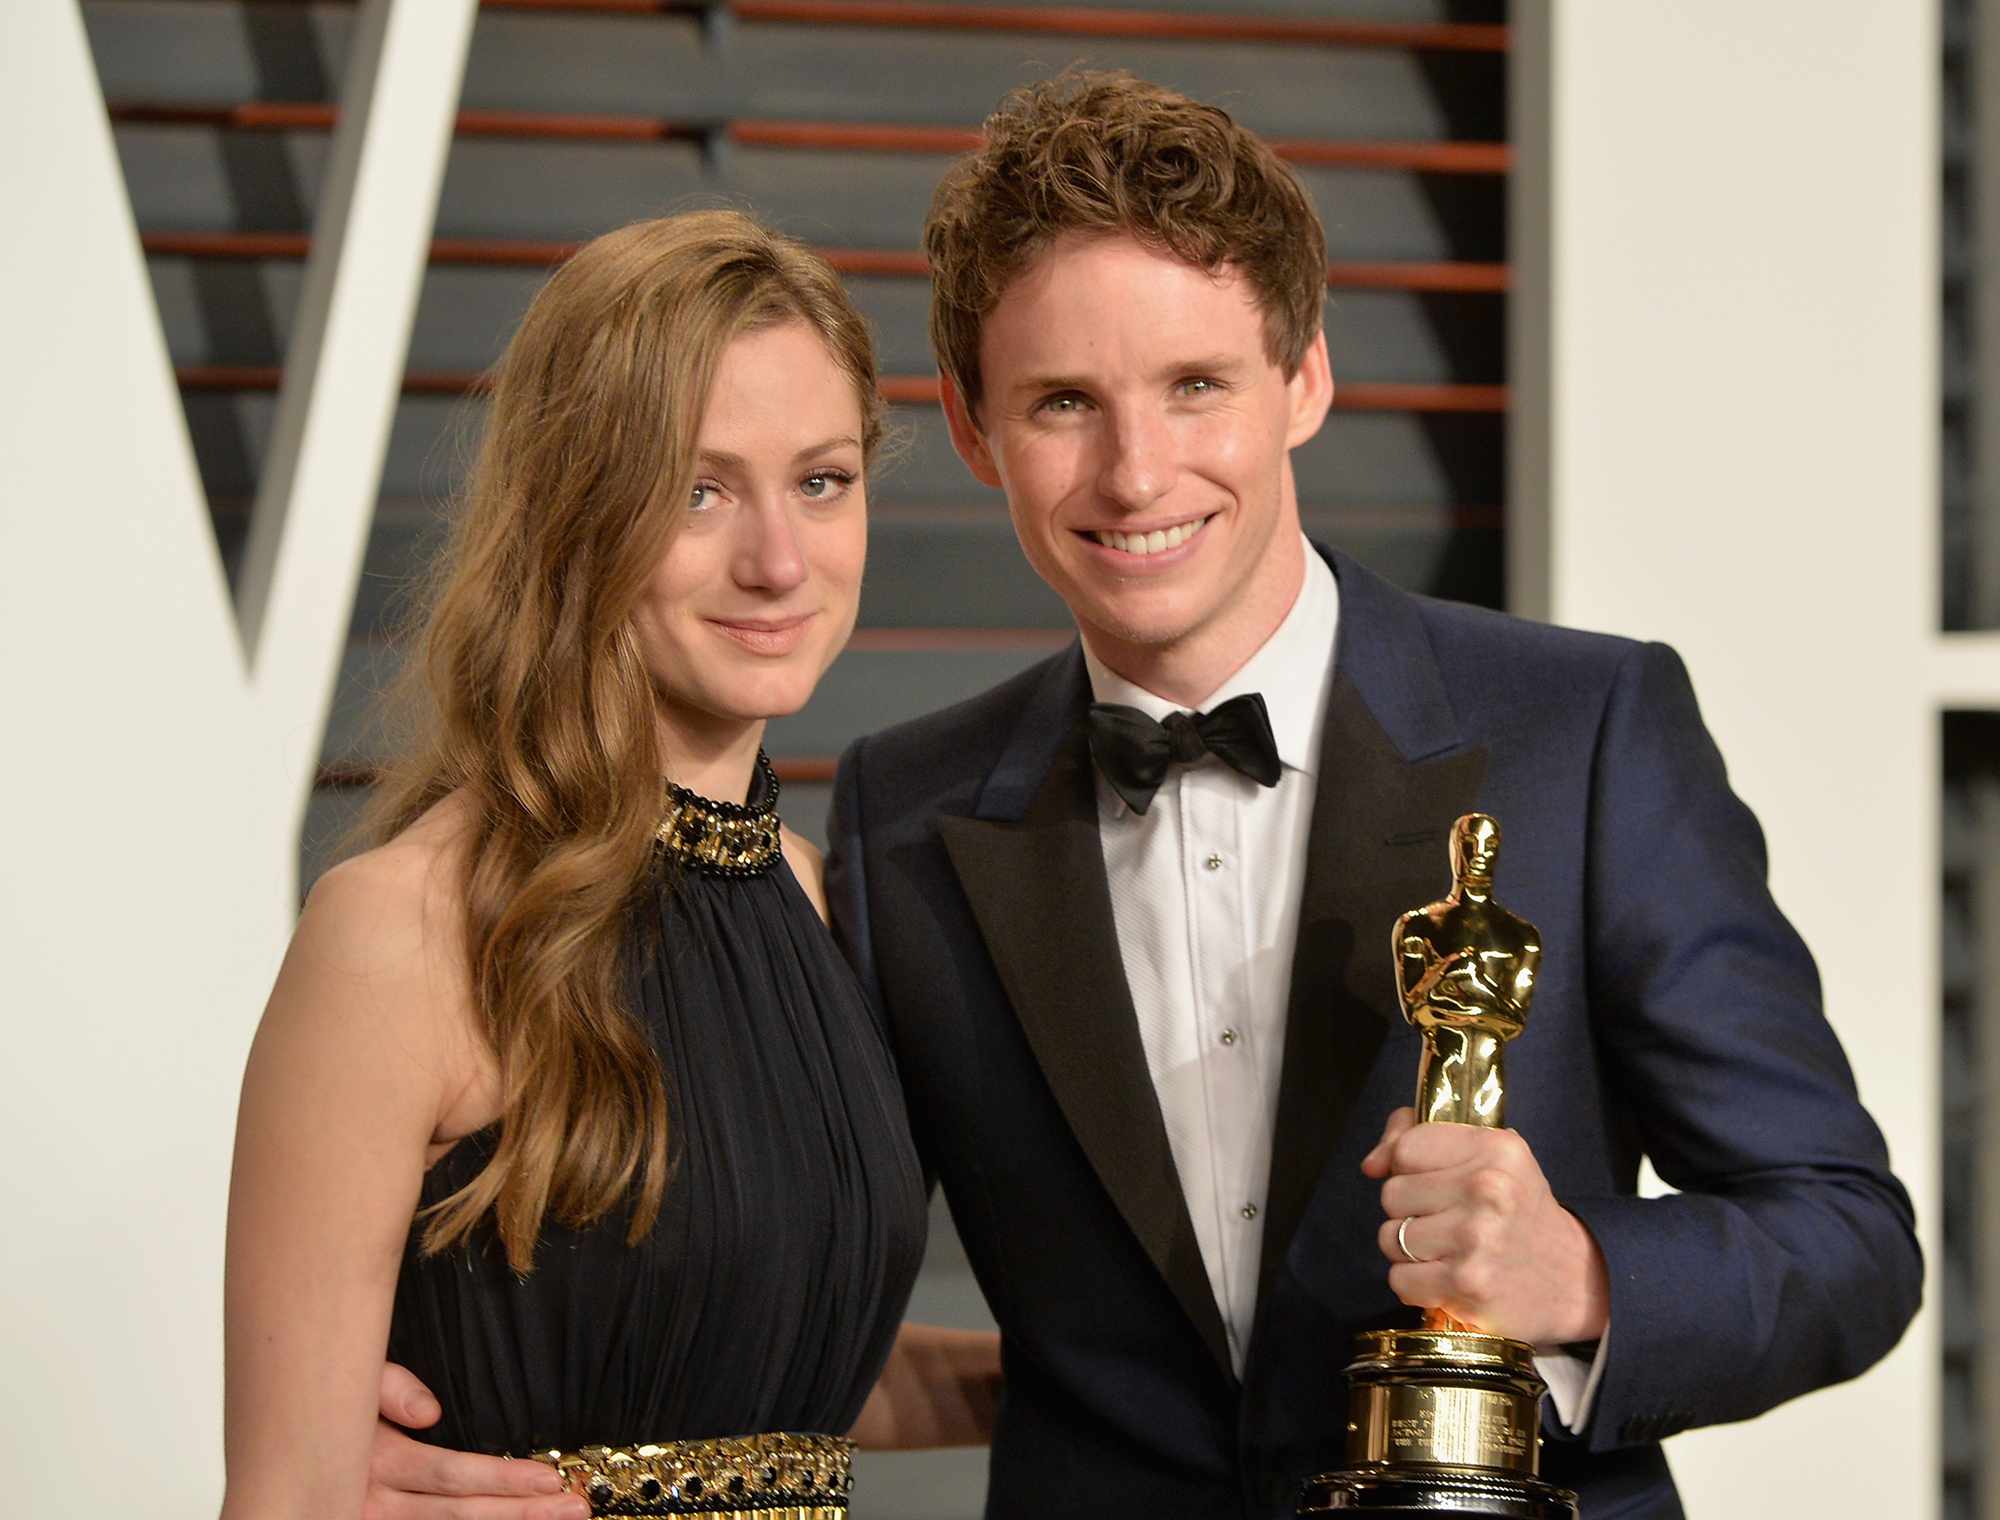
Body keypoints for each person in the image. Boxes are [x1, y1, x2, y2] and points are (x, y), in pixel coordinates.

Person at [369, 74, 1921, 1519]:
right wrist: (461, 1445)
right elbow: (778, 1266)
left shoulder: (1584, 731)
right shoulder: (903, 821)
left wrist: (1585, 1274)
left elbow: (1849, 1239)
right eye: (1061, 404)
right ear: (972, 430)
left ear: (1305, 376)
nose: (1135, 473)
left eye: (1195, 385)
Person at [222, 210, 998, 1520]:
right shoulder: (400, 931)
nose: (777, 560)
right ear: (575, 513)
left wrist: (1160, 1382)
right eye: (698, 490)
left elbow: (761, 1354)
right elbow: (285, 1497)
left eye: (820, 480)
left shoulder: (821, 900)